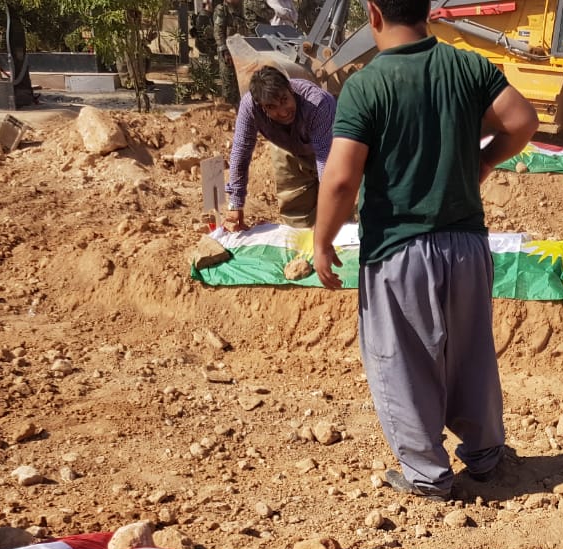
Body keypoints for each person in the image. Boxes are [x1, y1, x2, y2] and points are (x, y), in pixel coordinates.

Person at [312, 0, 538, 500]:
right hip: (466, 245)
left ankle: (427, 475)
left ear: (372, 13)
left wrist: (322, 239)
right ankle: (484, 455)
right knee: (471, 354)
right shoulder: (467, 64)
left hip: (398, 251)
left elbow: (343, 176)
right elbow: (522, 121)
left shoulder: (367, 85)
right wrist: (482, 164)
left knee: (402, 362)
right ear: (429, 10)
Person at [224, 66, 337, 231]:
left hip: (331, 147)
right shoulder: (250, 106)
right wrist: (235, 204)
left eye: (284, 100)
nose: (282, 112)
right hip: (288, 148)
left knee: (336, 219)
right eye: (271, 107)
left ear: (291, 90)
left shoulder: (317, 103)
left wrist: (328, 217)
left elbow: (325, 160)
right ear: (261, 106)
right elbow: (240, 152)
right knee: (297, 219)